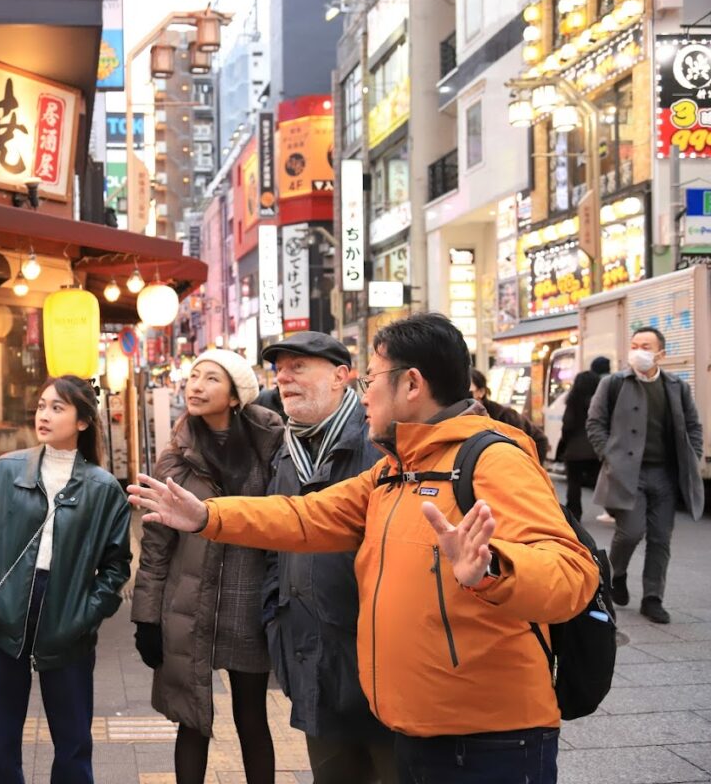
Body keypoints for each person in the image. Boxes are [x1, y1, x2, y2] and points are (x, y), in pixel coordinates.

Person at [128, 313, 600, 784]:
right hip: (417, 724)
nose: (365, 391)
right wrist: (207, 517)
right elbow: (304, 515)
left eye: (371, 378)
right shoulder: (397, 469)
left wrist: (492, 569)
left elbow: (572, 573)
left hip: (489, 738)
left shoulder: (491, 460)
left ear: (411, 385)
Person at [0, 375, 132, 784]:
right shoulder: (4, 472)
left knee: (73, 747)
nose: (45, 415)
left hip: (68, 625)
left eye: (58, 408)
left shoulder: (104, 489)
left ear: (83, 422)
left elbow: (116, 567)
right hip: (2, 624)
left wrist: (85, 615)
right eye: (41, 406)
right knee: (0, 746)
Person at [131, 349, 284, 784]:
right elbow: (157, 546)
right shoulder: (175, 457)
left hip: (248, 602)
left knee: (252, 718)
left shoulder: (271, 450)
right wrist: (147, 618)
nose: (196, 386)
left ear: (236, 396)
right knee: (191, 719)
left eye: (211, 378)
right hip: (190, 604)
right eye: (194, 376)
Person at [258, 332, 397, 784]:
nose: (283, 377)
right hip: (310, 657)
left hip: (379, 662)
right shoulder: (286, 450)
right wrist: (274, 616)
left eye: (298, 366)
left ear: (341, 376)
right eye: (279, 368)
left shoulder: (379, 443)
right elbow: (275, 541)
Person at [585, 328, 704, 625]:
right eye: (635, 345)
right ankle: (617, 574)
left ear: (660, 353)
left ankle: (653, 597)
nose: (639, 350)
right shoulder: (613, 383)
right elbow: (595, 422)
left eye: (646, 346)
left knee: (661, 537)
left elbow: (693, 425)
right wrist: (608, 456)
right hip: (627, 473)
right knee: (631, 532)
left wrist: (694, 454)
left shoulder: (676, 386)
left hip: (665, 473)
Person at [558, 356, 611, 520]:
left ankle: (575, 513)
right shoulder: (601, 401)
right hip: (596, 448)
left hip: (574, 450)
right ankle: (614, 510)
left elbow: (567, 424)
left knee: (574, 483)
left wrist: (566, 442)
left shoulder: (572, 401)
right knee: (600, 481)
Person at [470, 369, 549, 462]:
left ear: (481, 392)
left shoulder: (505, 416)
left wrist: (530, 467)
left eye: (467, 390)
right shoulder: (462, 415)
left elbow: (538, 440)